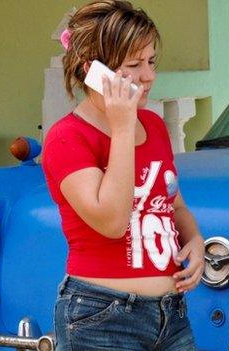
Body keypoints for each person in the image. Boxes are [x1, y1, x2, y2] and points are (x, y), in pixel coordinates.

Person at [41, 1, 204, 349]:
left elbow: (173, 205)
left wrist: (196, 240)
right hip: (102, 317)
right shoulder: (67, 137)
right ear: (93, 71)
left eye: (150, 62)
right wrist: (123, 128)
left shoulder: (156, 127)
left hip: (170, 315)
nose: (149, 76)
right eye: (134, 65)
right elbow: (112, 221)